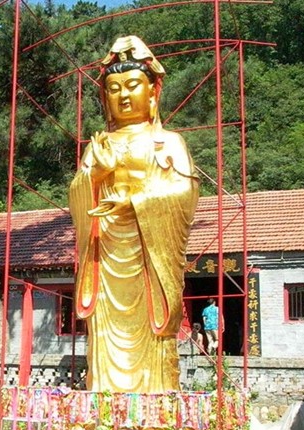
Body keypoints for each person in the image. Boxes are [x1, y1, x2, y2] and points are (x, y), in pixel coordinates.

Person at [69, 36, 200, 393]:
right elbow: (77, 195)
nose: (123, 96)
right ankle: (104, 398)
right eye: (114, 89)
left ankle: (155, 398)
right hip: (105, 253)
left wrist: (134, 202)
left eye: (132, 86)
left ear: (152, 92)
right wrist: (95, 175)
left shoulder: (168, 141)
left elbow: (185, 193)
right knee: (105, 326)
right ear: (105, 99)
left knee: (152, 326)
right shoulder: (98, 146)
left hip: (149, 254)